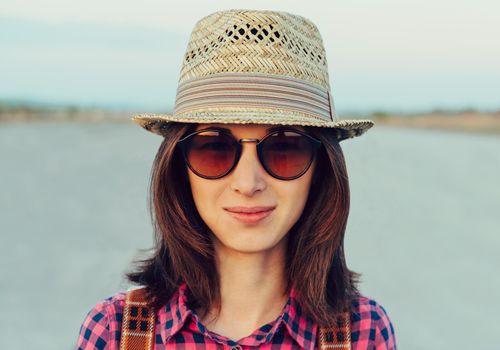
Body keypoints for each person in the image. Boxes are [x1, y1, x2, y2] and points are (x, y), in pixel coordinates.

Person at [76, 8, 397, 350]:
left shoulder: (363, 332)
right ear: (179, 169)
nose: (248, 183)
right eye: (214, 148)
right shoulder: (116, 331)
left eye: (284, 148)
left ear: (320, 169)